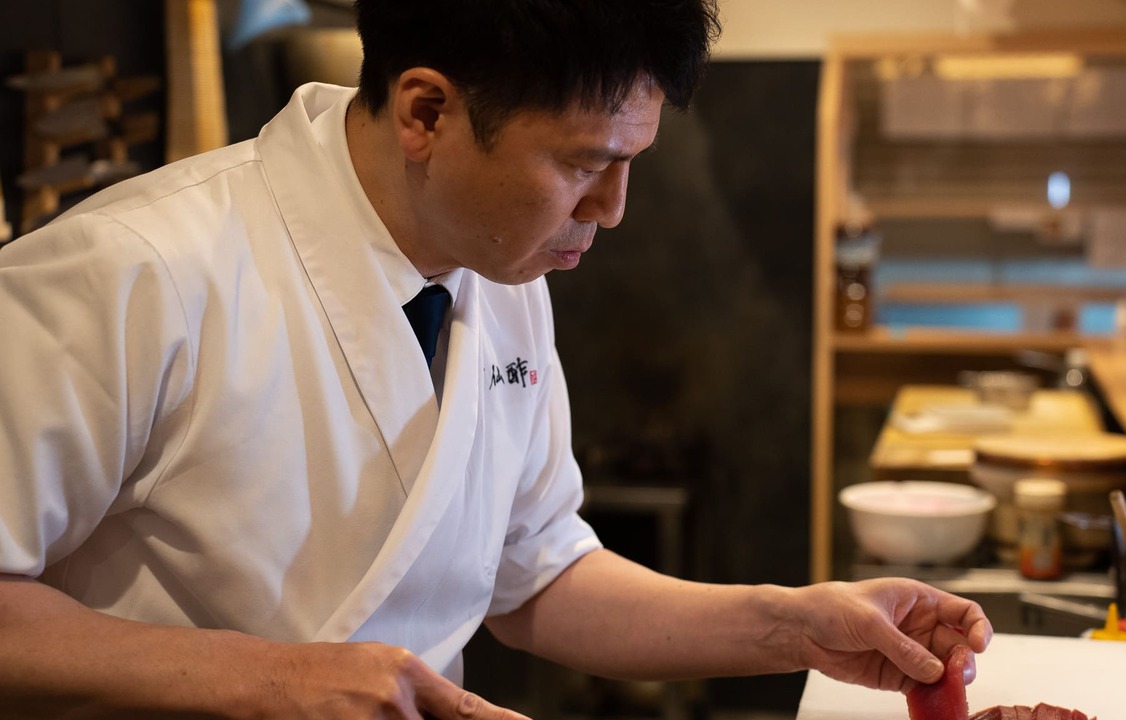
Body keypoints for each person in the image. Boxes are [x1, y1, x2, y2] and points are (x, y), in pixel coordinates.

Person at [0, 0, 992, 717]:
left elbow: (534, 574)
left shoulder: (498, 272)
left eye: (626, 165)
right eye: (581, 164)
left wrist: (795, 627)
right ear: (425, 113)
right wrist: (269, 678)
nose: (611, 211)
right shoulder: (125, 272)